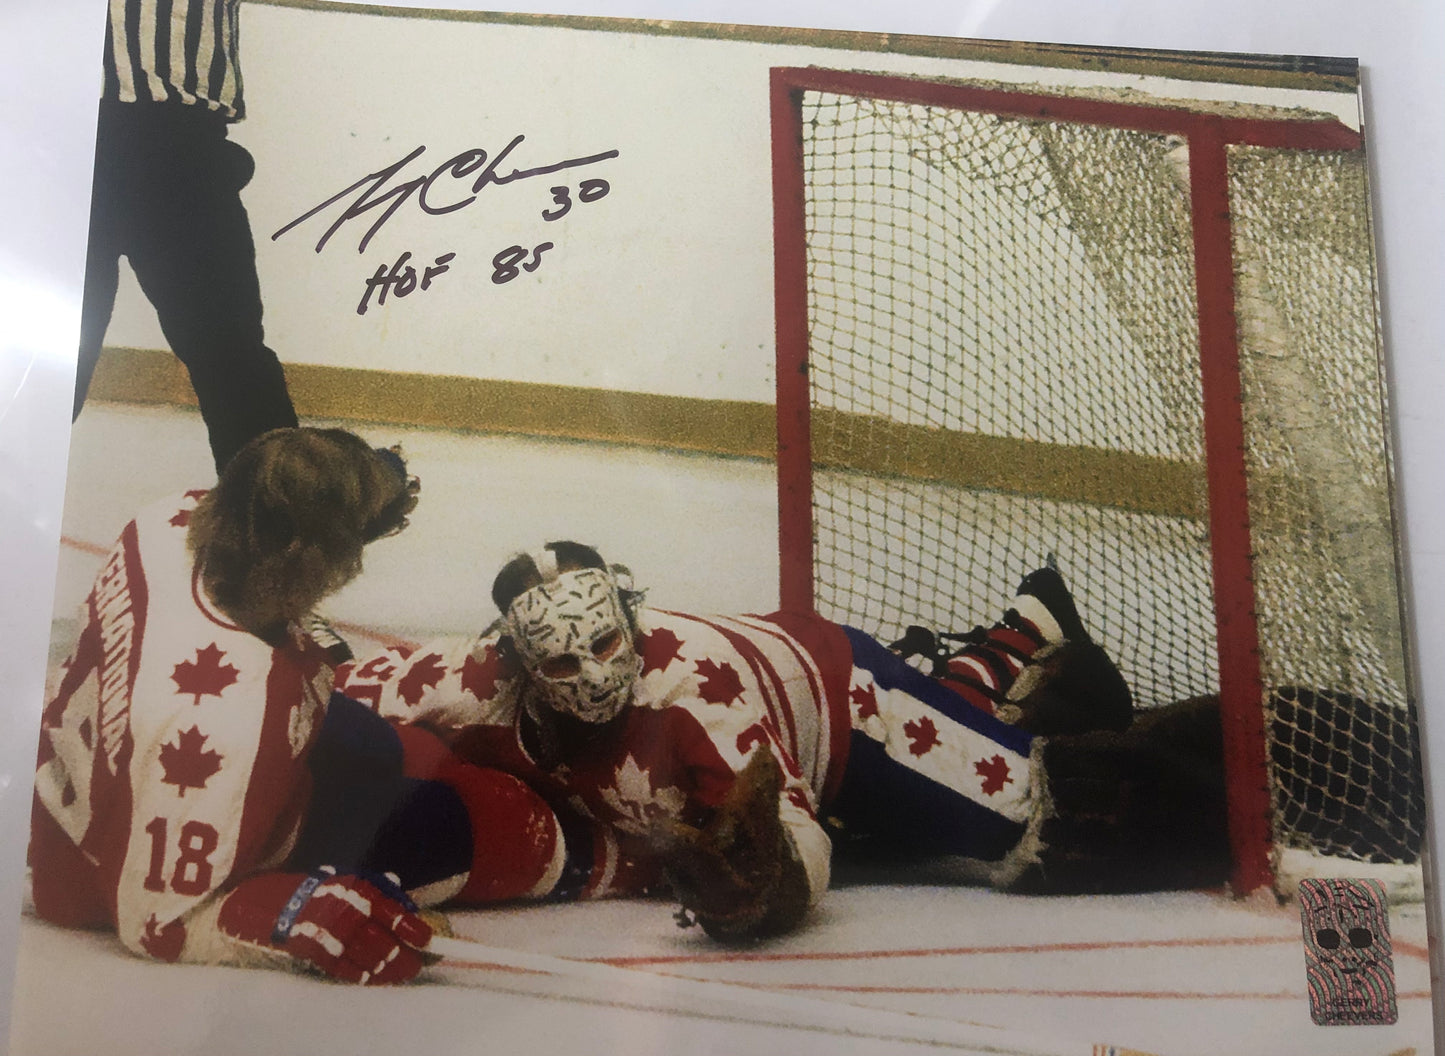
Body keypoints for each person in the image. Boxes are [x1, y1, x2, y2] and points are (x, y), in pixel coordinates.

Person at [339, 542, 1230, 942]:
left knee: (1053, 820)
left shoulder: (694, 701)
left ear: (631, 618)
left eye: (607, 643)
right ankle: (1018, 642)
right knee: (912, 834)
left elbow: (796, 829)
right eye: (563, 662)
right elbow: (353, 683)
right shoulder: (472, 682)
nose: (593, 674)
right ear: (517, 661)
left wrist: (757, 886)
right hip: (787, 687)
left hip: (850, 713)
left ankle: (1243, 770)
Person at [30, 429, 619, 983]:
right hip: (114, 856)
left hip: (90, 773)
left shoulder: (169, 519)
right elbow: (157, 919)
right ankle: (617, 861)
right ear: (314, 564)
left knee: (384, 745)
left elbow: (273, 496)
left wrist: (360, 484)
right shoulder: (231, 724)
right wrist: (299, 917)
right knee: (461, 826)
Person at [75, 0, 297, 472]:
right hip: (74, 123)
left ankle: (276, 508)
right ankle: (277, 508)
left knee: (232, 354)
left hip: (179, 140)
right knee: (43, 354)